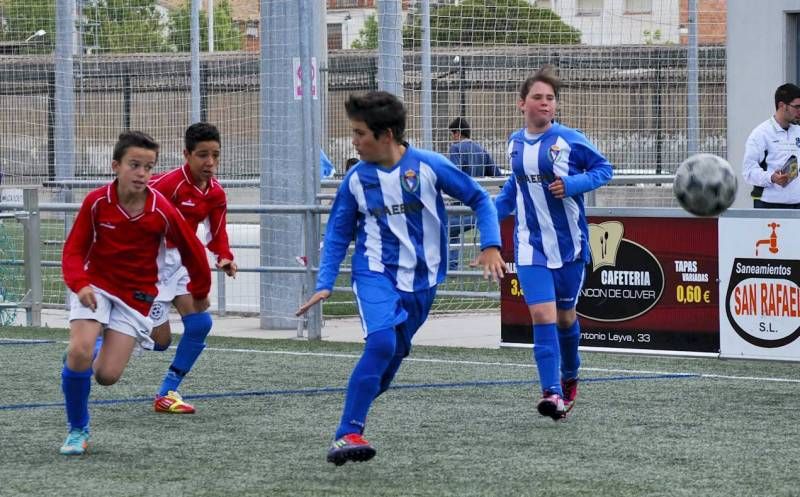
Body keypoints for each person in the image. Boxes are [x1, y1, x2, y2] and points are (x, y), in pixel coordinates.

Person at [296, 91, 506, 466]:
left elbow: (480, 199)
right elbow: (339, 233)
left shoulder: (428, 165)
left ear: (387, 135)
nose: (354, 141)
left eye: (360, 134)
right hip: (375, 272)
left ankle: (354, 414)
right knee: (379, 345)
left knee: (388, 366)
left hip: (423, 283)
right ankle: (347, 433)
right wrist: (325, 282)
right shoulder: (356, 180)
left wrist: (491, 244)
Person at [59, 131, 211, 455]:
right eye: (135, 165)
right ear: (116, 166)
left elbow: (192, 250)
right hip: (95, 287)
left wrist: (200, 289)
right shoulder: (97, 202)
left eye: (148, 167)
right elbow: (73, 250)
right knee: (79, 350)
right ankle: (77, 430)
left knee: (106, 376)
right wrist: (79, 282)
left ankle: (87, 353)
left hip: (136, 297)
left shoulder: (161, 210)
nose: (142, 173)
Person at [495, 66, 613, 421]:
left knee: (564, 318)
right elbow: (512, 190)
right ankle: (552, 393)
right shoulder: (514, 143)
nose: (545, 104)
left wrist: (573, 185)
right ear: (522, 104)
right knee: (542, 315)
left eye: (550, 99)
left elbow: (604, 169)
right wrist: (485, 216)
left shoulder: (569, 140)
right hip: (530, 247)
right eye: (538, 98)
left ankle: (570, 376)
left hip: (570, 247)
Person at [147, 122, 237, 414]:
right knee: (159, 342)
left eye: (215, 155)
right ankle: (89, 352)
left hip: (182, 262)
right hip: (152, 264)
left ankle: (167, 392)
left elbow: (217, 232)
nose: (210, 162)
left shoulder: (216, 193)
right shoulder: (167, 185)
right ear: (186, 154)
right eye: (202, 155)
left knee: (200, 323)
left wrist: (223, 256)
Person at [447, 117, 501, 270]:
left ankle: (450, 267)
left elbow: (454, 174)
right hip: (478, 207)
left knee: (445, 226)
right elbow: (497, 174)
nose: (452, 138)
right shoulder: (481, 149)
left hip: (462, 206)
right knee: (452, 229)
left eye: (452, 134)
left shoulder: (456, 148)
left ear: (457, 133)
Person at [742, 83, 800, 209]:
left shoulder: (798, 131)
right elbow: (748, 172)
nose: (799, 111)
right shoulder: (761, 134)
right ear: (781, 105)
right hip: (769, 205)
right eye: (797, 107)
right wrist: (772, 177)